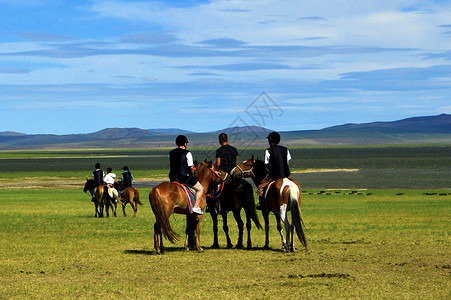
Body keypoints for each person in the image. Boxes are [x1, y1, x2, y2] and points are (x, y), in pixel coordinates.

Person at [169, 135, 204, 215]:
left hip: (173, 178)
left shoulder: (171, 153)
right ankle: (195, 207)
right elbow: (191, 167)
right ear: (185, 143)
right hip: (184, 178)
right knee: (200, 189)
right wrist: (193, 172)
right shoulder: (187, 153)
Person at [257, 131, 291, 209]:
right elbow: (287, 162)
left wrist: (271, 170)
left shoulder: (268, 150)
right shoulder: (286, 149)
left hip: (274, 175)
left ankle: (262, 204)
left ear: (270, 141)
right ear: (279, 141)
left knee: (261, 186)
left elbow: (267, 164)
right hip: (286, 174)